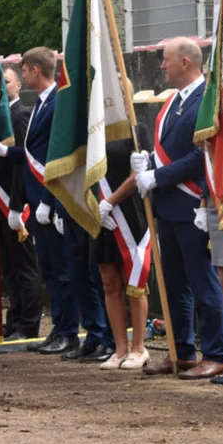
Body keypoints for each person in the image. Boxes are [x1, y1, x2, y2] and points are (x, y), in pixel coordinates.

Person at [0, 47, 111, 357]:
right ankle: (63, 329)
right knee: (53, 269)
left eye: (25, 69)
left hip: (56, 199)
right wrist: (7, 152)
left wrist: (49, 200)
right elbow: (36, 153)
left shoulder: (59, 102)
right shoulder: (42, 104)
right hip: (40, 200)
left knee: (68, 270)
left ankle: (80, 331)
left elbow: (58, 158)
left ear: (33, 70)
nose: (24, 73)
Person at [131, 37, 223, 379]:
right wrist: (148, 162)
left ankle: (215, 352)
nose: (162, 66)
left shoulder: (207, 99)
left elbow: (204, 154)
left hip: (192, 203)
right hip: (168, 207)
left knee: (203, 282)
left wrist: (158, 175)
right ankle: (182, 351)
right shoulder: (172, 102)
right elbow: (169, 148)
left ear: (185, 62)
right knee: (173, 284)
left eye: (166, 60)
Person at [0, 66, 44, 342]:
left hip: (16, 203)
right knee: (7, 266)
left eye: (6, 82)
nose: (1, 88)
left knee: (24, 267)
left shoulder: (20, 116)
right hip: (0, 200)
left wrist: (18, 206)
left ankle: (28, 324)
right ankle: (14, 319)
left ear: (18, 86)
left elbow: (23, 165)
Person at [94, 124, 152, 370]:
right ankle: (119, 348)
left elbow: (136, 175)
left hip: (128, 211)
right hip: (99, 213)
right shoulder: (94, 128)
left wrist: (110, 202)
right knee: (109, 281)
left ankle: (139, 348)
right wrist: (95, 206)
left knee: (134, 282)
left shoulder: (135, 128)